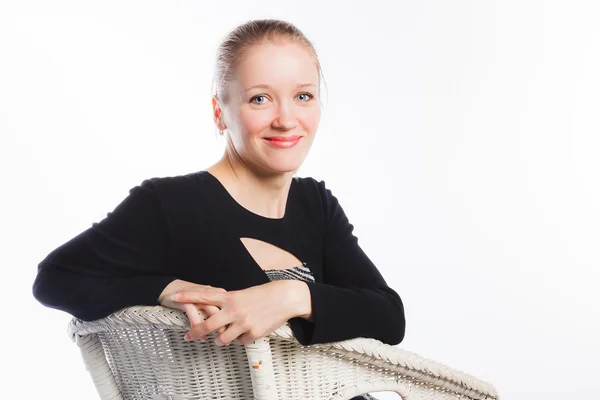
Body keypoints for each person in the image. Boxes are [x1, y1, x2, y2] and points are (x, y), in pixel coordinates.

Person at [32, 18, 405, 400]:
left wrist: (291, 296)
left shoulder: (315, 203)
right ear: (219, 111)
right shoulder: (171, 205)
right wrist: (164, 289)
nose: (287, 119)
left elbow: (389, 318)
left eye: (303, 96)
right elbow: (55, 279)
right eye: (259, 98)